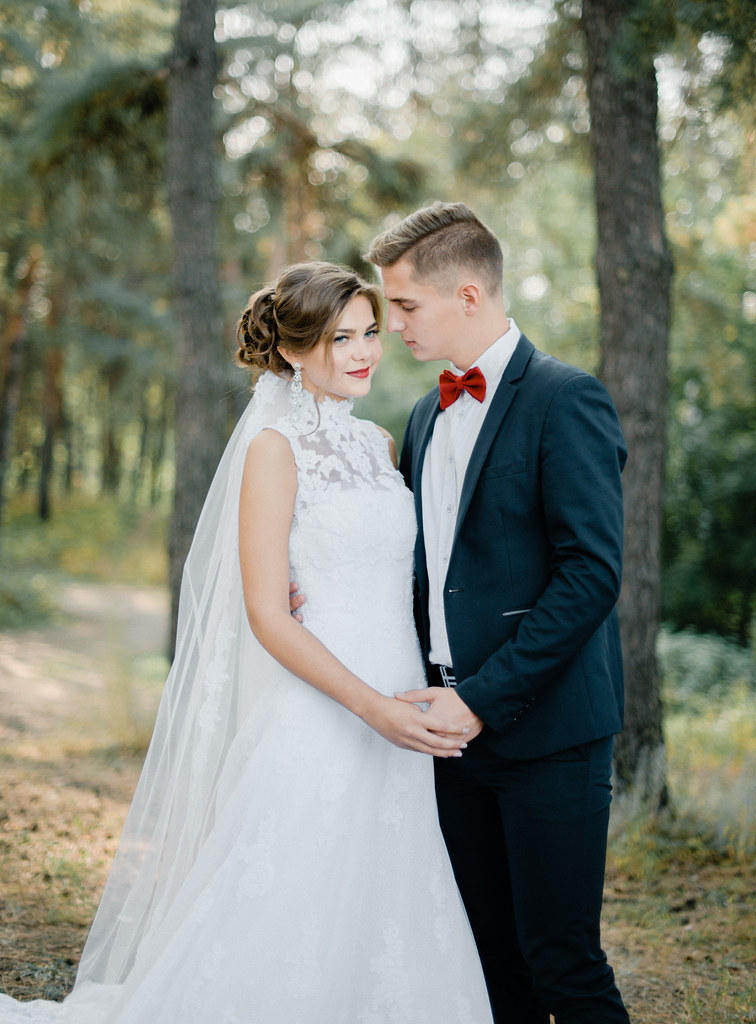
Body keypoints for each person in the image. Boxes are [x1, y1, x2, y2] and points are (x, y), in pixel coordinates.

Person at [0, 261, 492, 1024]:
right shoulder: (273, 448)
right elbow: (268, 615)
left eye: (370, 333)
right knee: (297, 891)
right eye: (341, 339)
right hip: (327, 707)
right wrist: (372, 709)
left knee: (381, 887)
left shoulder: (381, 444)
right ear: (295, 352)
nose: (365, 352)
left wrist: (410, 702)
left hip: (400, 700)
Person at [363, 202, 632, 1023]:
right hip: (442, 736)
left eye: (405, 306)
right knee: (482, 966)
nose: (391, 326)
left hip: (547, 732)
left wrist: (480, 698)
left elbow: (591, 575)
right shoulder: (424, 414)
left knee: (562, 961)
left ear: (470, 294)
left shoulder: (566, 399)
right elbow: (424, 568)